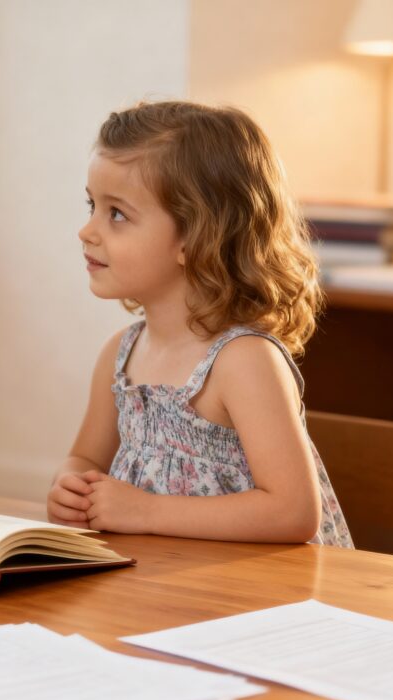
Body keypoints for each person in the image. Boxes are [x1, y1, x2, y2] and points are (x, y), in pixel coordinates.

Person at [47, 100, 352, 547]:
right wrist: (71, 486)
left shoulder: (243, 361)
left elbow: (292, 512)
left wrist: (147, 510)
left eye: (116, 214)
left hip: (264, 595)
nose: (87, 230)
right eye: (92, 205)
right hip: (167, 584)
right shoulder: (120, 355)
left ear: (195, 237)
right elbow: (84, 457)